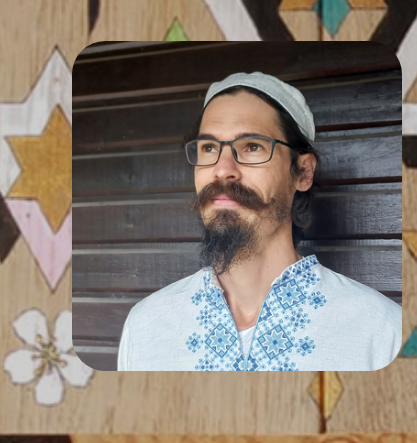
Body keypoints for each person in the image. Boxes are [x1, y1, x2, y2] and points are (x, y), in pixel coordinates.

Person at [115, 72, 401, 370]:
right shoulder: (146, 327)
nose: (222, 169)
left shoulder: (381, 332)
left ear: (303, 172)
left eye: (252, 146)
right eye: (209, 148)